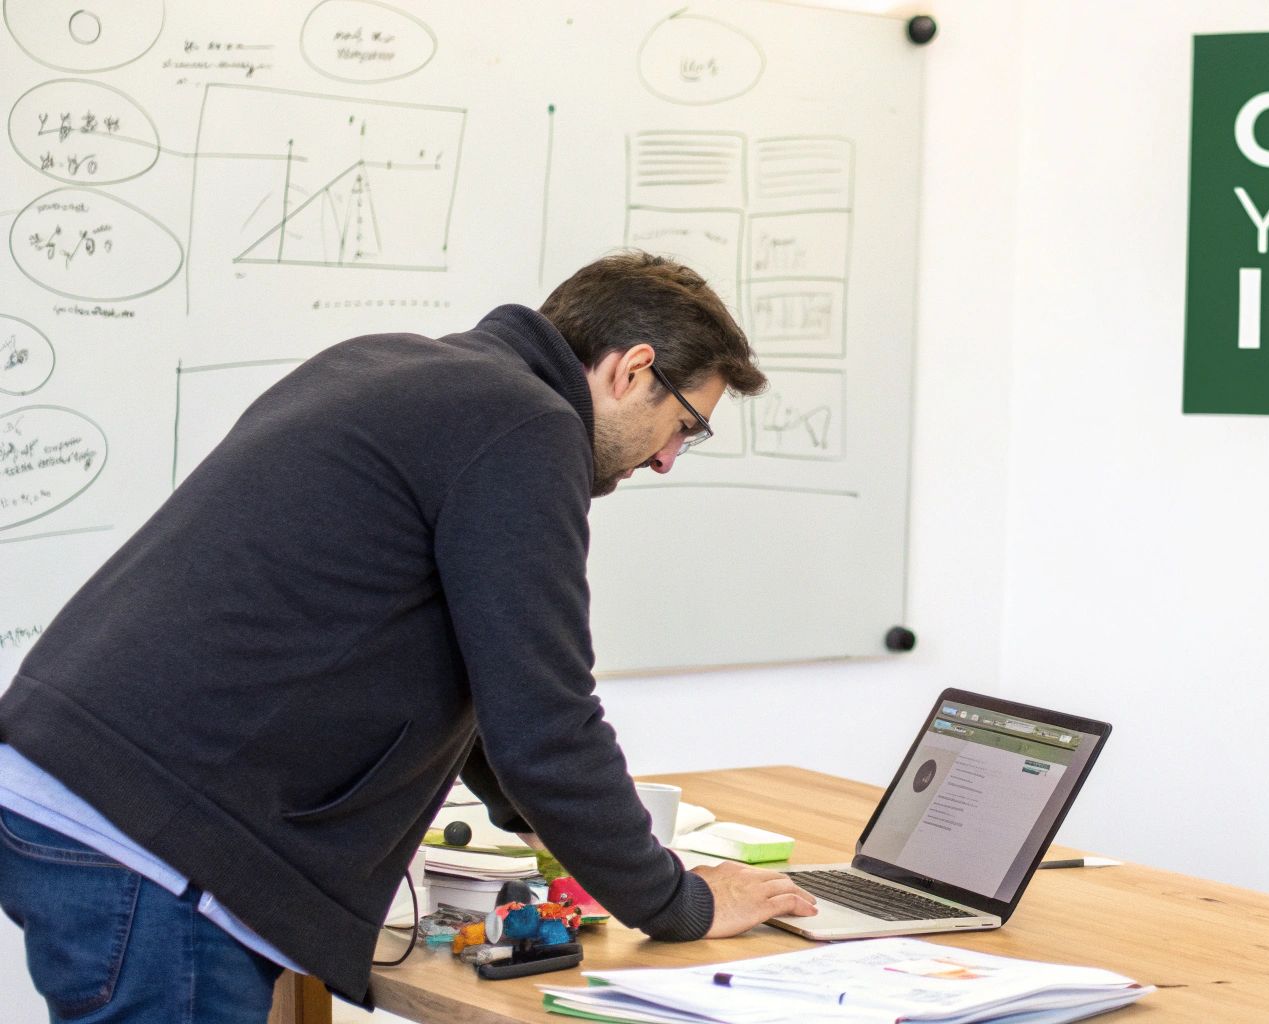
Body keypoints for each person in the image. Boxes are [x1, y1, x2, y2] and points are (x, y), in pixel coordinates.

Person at [0, 251, 817, 1021]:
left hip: (71, 781)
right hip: (153, 840)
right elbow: (547, 720)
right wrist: (681, 902)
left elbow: (484, 679)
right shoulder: (524, 427)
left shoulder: (392, 364)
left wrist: (536, 823)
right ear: (631, 367)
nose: (670, 459)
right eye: (684, 425)